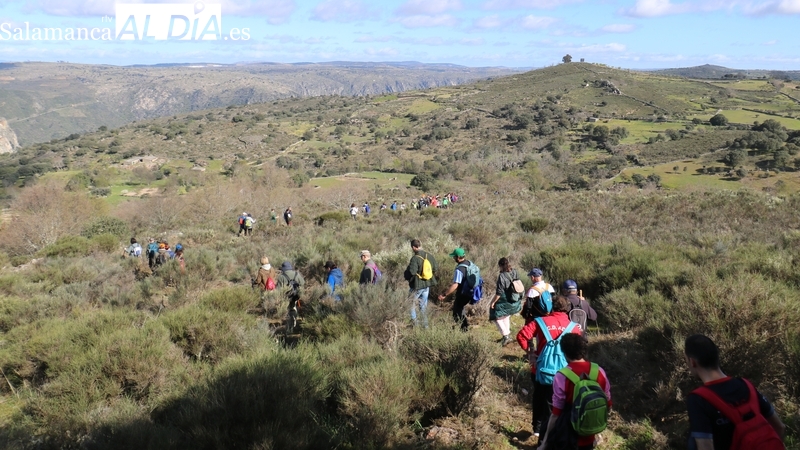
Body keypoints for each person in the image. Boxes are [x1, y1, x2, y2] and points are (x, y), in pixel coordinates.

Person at [685, 334, 785, 450]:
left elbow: (705, 446)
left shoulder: (698, 399)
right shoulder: (746, 385)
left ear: (692, 362)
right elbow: (779, 427)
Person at [516, 295, 583, 440]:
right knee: (556, 404)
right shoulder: (574, 327)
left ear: (552, 307)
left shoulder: (540, 322)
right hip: (563, 373)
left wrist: (530, 353)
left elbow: (521, 336)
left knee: (538, 399)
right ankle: (551, 434)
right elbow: (578, 351)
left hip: (540, 370)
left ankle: (537, 429)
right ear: (567, 309)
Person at [539, 333, 612, 450]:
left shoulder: (562, 375)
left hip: (569, 433)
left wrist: (544, 443)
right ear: (584, 351)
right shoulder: (599, 370)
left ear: (565, 353)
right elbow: (608, 402)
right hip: (590, 431)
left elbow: (556, 413)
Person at [437, 247, 477, 332]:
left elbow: (455, 285)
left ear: (458, 257)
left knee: (456, 312)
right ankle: (465, 328)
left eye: (454, 256)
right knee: (460, 309)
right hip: (471, 291)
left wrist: (444, 294)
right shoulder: (469, 263)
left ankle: (464, 330)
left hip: (463, 293)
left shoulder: (459, 269)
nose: (453, 258)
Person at [404, 239, 438, 327]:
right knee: (423, 306)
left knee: (410, 304)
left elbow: (412, 272)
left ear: (413, 247)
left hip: (417, 285)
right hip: (427, 285)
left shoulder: (415, 258)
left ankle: (414, 325)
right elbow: (435, 268)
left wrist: (407, 274)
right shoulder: (429, 255)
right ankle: (425, 326)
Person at [489, 257, 523, 346]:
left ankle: (506, 336)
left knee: (496, 317)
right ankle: (507, 335)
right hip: (514, 298)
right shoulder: (514, 271)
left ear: (500, 266)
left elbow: (499, 293)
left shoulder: (502, 276)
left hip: (504, 299)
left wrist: (493, 302)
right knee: (506, 315)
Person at [277, 261, 305, 330]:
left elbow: (278, 289)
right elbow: (303, 283)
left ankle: (290, 326)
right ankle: (294, 323)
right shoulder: (297, 274)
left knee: (288, 310)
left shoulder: (281, 277)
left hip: (286, 297)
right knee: (293, 308)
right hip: (296, 295)